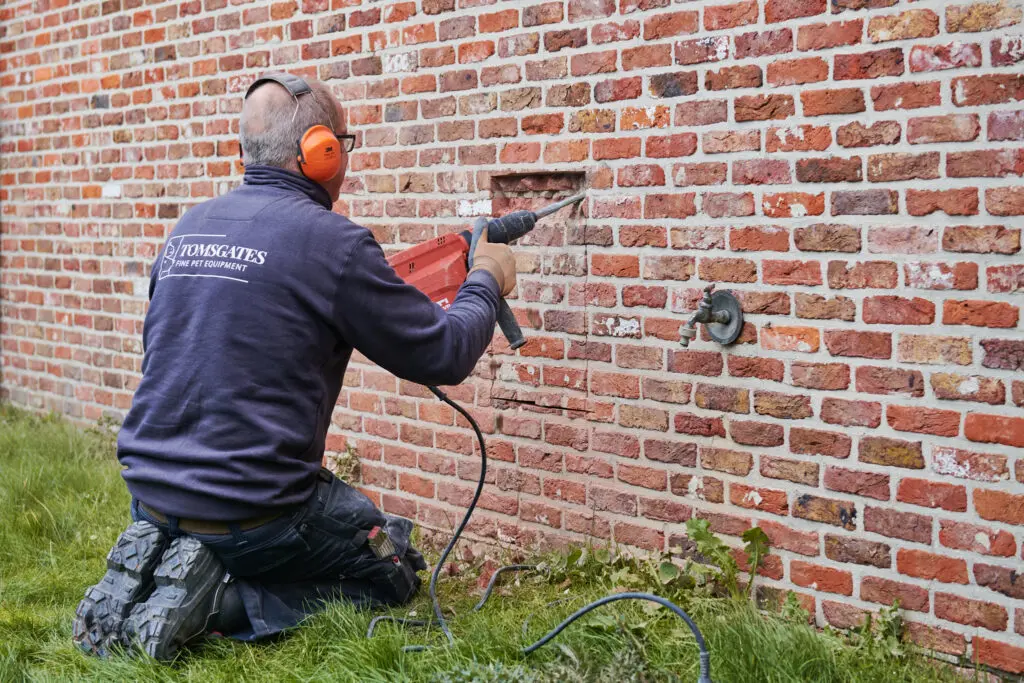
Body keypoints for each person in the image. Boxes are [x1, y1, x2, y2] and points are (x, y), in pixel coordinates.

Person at [71, 72, 517, 661]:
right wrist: (486, 278)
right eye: (341, 145)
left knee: (298, 528)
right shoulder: (335, 244)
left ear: (243, 151)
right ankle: (223, 603)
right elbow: (446, 354)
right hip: (260, 514)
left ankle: (165, 559)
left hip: (150, 492)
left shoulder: (186, 230)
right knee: (395, 568)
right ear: (321, 152)